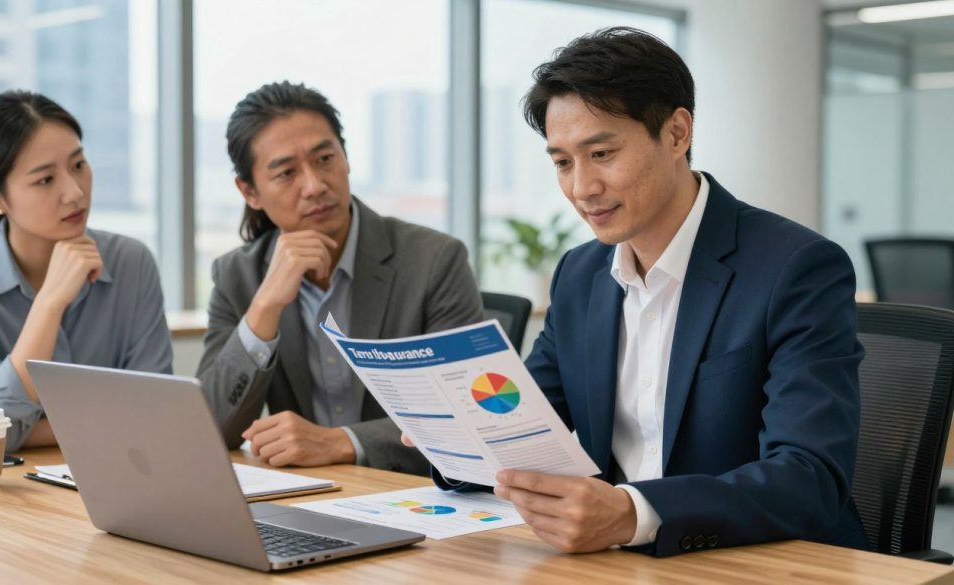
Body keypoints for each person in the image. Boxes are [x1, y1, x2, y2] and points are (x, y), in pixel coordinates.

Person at [428, 27, 867, 556]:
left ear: (677, 133)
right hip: (613, 562)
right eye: (563, 162)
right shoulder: (580, 274)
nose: (582, 188)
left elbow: (809, 478)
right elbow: (529, 423)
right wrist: (456, 437)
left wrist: (634, 512)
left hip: (757, 560)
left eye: (603, 153)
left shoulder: (796, 268)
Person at [196, 82, 482, 475]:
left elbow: (466, 412)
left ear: (345, 158)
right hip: (301, 497)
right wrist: (265, 307)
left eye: (325, 158)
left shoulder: (434, 259)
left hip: (406, 493)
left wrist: (342, 442)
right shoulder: (237, 275)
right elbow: (208, 428)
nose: (314, 186)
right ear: (250, 192)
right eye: (286, 173)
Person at [0, 91, 173, 451]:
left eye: (78, 165)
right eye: (45, 180)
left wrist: (32, 428)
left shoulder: (131, 263)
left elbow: (156, 412)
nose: (75, 193)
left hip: (109, 480)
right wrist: (49, 304)